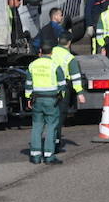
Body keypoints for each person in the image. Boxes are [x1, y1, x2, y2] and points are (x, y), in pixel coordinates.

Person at [22, 37, 67, 165]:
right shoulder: (55, 66)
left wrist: (28, 98)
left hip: (37, 99)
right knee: (51, 127)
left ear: (40, 51)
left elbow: (28, 84)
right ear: (52, 52)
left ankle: (35, 156)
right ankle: (48, 156)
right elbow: (62, 85)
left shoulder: (32, 65)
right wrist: (61, 97)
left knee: (37, 126)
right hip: (51, 100)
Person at [50, 32, 85, 152]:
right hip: (62, 89)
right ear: (69, 43)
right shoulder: (69, 58)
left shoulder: (50, 52)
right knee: (59, 116)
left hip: (46, 87)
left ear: (59, 39)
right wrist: (80, 93)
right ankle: (55, 143)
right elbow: (75, 77)